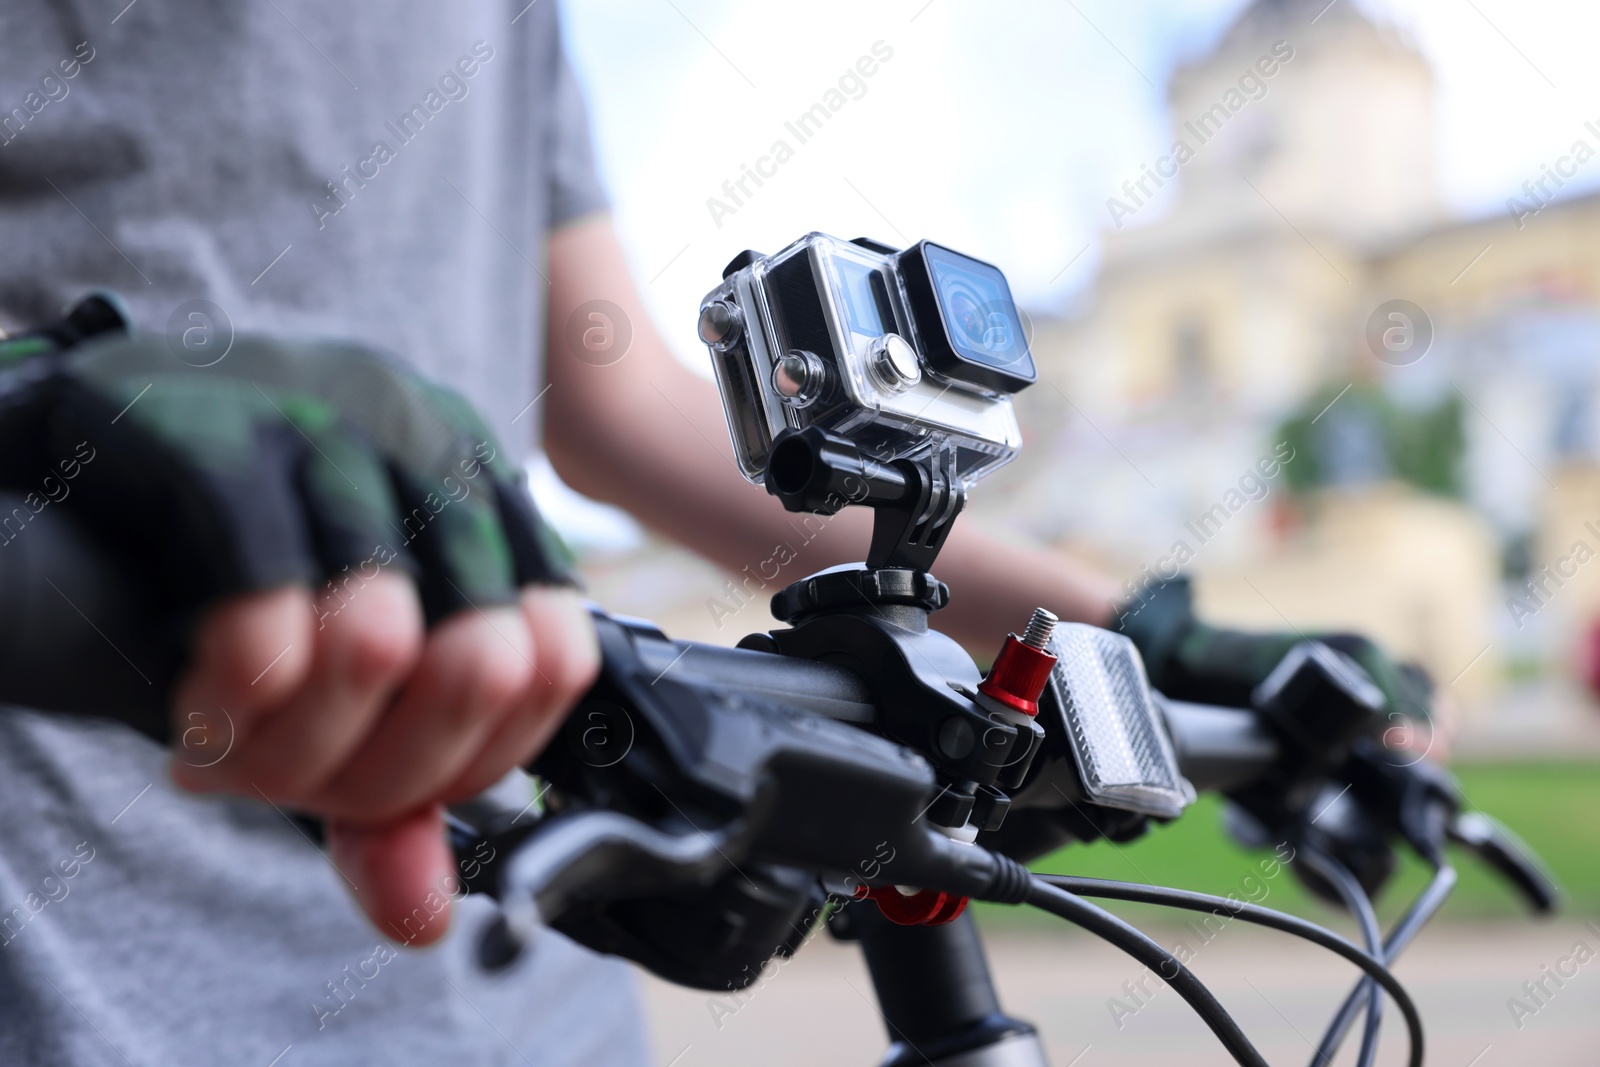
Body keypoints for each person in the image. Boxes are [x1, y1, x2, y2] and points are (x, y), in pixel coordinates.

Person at [0, 3, 1435, 1065]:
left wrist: (1138, 636)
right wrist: (39, 401)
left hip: (535, 990)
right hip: (100, 971)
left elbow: (620, 405)